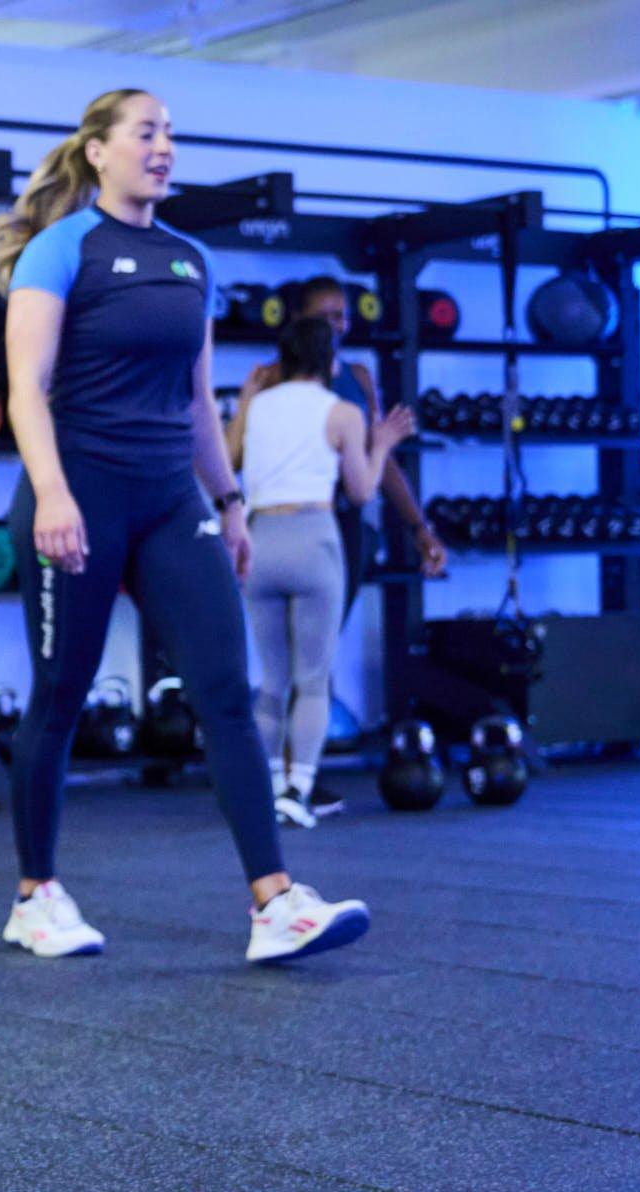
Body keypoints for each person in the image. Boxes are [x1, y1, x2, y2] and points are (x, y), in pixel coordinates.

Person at [0, 87, 368, 967]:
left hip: (170, 501)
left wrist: (228, 503)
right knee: (60, 696)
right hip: (76, 492)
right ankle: (33, 893)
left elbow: (200, 404)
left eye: (169, 134)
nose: (162, 147)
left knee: (227, 692)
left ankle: (273, 902)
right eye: (145, 132)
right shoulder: (60, 249)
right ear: (98, 151)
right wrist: (50, 493)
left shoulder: (191, 259)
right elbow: (24, 389)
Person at [238, 275, 449, 819]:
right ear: (301, 321)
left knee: (306, 663)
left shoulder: (354, 379)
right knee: (297, 671)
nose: (337, 326)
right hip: (309, 530)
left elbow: (379, 472)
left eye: (343, 316)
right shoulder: (268, 385)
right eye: (325, 317)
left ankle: (282, 784)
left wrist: (419, 528)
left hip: (316, 532)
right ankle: (292, 785)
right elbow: (365, 475)